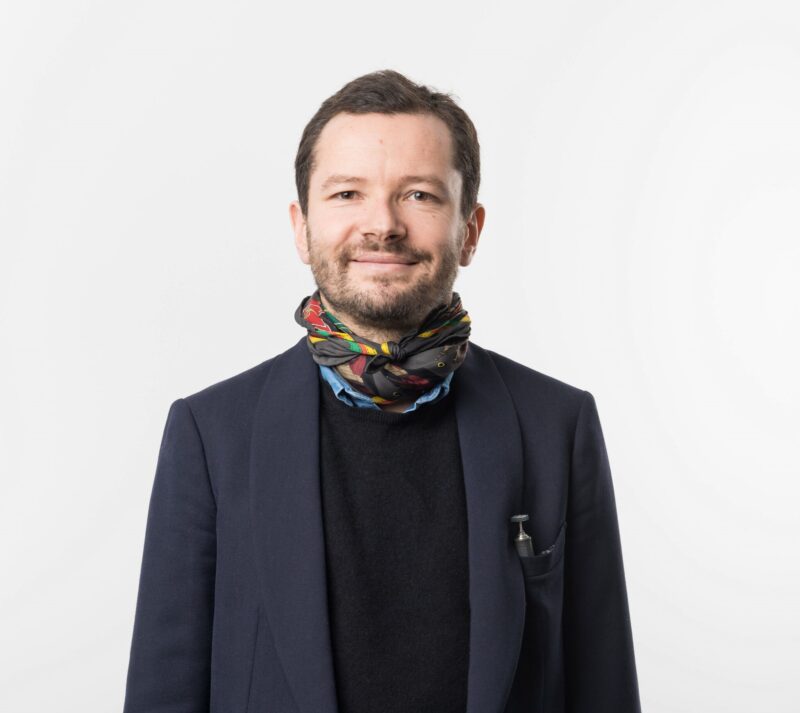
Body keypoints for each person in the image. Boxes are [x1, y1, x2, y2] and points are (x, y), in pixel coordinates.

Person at [123, 69, 641, 713]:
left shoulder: (556, 425)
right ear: (301, 227)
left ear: (470, 230)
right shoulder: (211, 433)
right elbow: (163, 691)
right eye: (346, 194)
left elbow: (604, 685)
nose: (383, 226)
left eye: (419, 195)